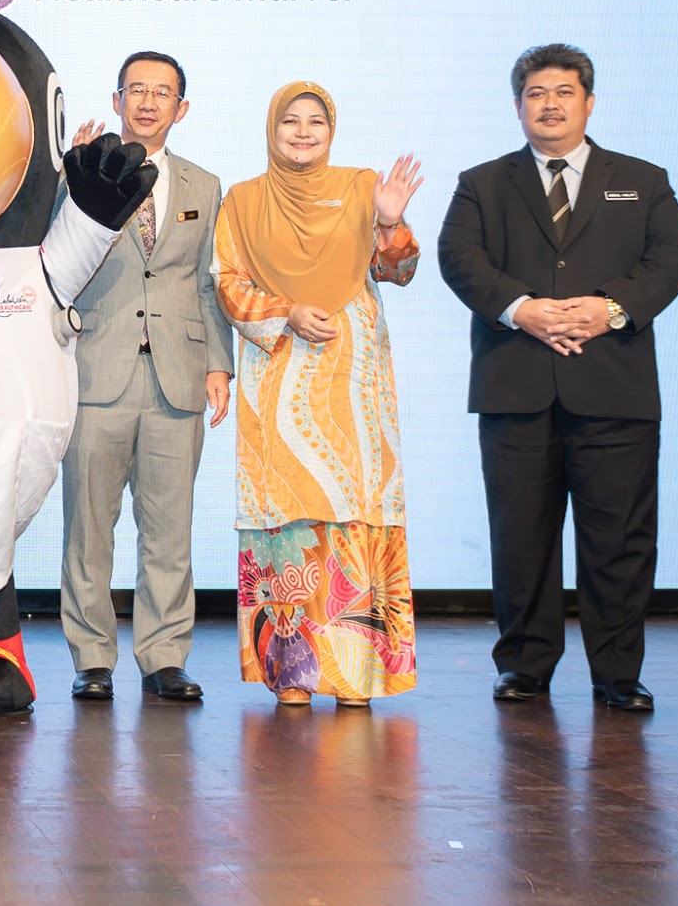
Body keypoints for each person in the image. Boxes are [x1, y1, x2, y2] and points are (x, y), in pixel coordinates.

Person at [435, 44, 678, 713]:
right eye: (535, 93)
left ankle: (619, 674)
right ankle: (524, 667)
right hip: (516, 388)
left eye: (563, 92)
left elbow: (674, 256)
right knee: (521, 538)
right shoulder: (482, 183)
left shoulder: (641, 179)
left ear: (589, 102)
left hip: (614, 389)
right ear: (518, 105)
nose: (549, 104)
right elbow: (459, 258)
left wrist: (610, 308)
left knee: (620, 540)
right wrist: (521, 309)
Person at [214, 81, 422, 708]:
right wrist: (287, 312)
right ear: (271, 129)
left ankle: (356, 673)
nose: (302, 132)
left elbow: (398, 271)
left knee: (355, 510)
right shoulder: (243, 200)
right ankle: (293, 673)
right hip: (280, 371)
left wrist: (390, 222)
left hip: (353, 376)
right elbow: (227, 281)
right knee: (289, 514)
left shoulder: (362, 187)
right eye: (290, 121)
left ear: (332, 132)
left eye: (316, 122)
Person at [60, 53, 233, 705]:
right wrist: (66, 182)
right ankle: (92, 659)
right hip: (95, 372)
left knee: (169, 529)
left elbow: (208, 283)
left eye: (163, 93)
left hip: (176, 377)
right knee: (88, 529)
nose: (149, 102)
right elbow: (52, 259)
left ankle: (164, 657)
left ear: (181, 109)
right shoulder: (78, 174)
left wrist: (218, 363)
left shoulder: (203, 185)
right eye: (137, 89)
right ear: (117, 99)